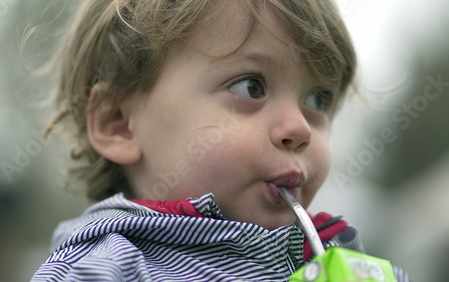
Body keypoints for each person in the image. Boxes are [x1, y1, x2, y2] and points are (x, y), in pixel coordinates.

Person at [32, 0, 410, 281]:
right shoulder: (103, 269)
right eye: (251, 86)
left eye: (317, 100)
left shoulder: (351, 263)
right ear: (119, 124)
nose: (300, 128)